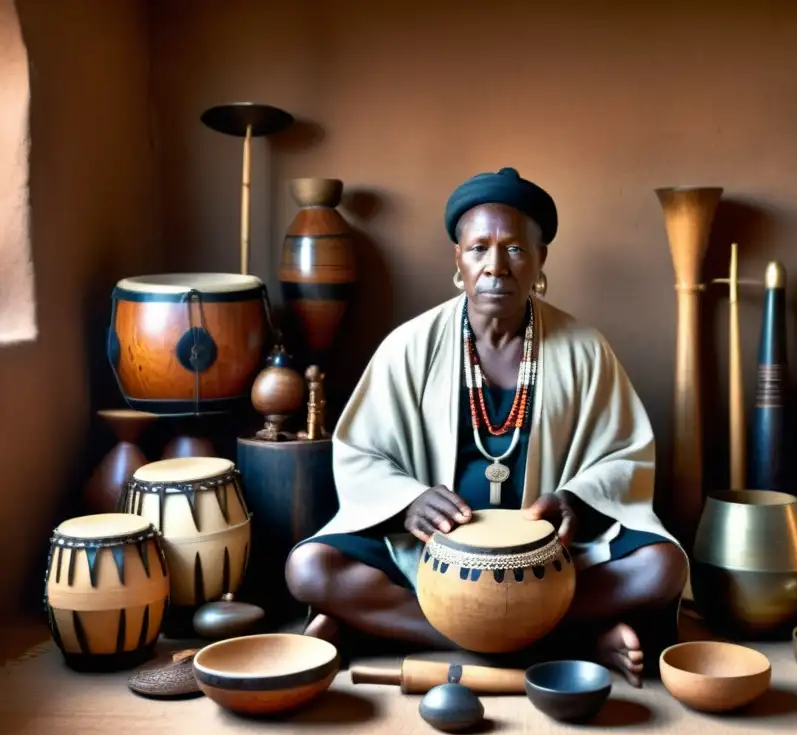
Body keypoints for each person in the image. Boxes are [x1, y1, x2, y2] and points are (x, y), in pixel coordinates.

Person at [285, 167, 689, 686]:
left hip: (550, 560)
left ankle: (385, 629)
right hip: (433, 557)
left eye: (516, 250)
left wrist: (576, 501)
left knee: (662, 567)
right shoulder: (410, 346)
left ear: (541, 259)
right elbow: (360, 452)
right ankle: (565, 639)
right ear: (458, 259)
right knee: (310, 568)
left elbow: (625, 455)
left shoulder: (585, 349)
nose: (495, 266)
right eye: (478, 249)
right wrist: (408, 500)